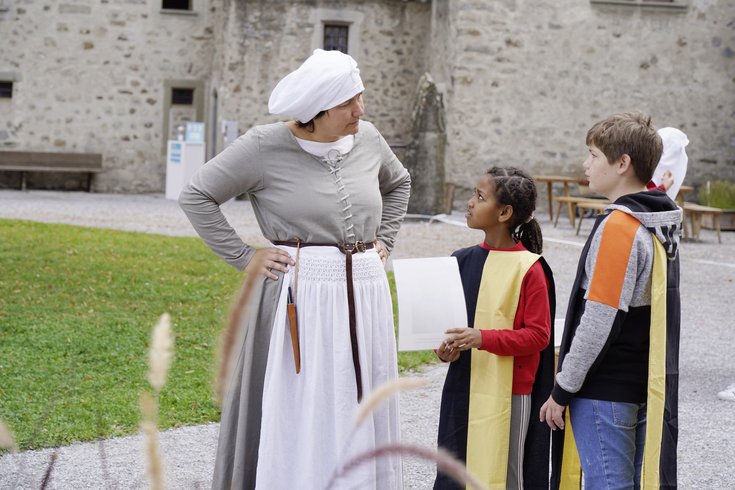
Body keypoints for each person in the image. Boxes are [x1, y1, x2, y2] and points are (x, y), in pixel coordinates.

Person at [179, 49, 411, 490]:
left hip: (365, 291)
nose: (359, 110)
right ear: (315, 112)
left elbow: (399, 183)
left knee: (361, 391)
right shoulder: (264, 146)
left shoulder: (370, 138)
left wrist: (386, 240)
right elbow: (197, 196)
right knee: (303, 399)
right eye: (348, 104)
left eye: (360, 98)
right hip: (301, 294)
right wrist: (245, 257)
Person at [540, 112, 682, 489]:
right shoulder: (659, 219)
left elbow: (599, 319)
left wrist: (562, 389)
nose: (585, 164)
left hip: (606, 393)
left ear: (622, 164)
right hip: (642, 384)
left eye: (593, 155)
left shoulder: (620, 227)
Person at [434, 167, 556, 490]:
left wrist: (481, 337)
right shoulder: (460, 261)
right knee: (455, 473)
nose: (471, 203)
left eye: (480, 197)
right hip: (463, 387)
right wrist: (445, 350)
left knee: (504, 476)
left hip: (510, 394)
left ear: (504, 213)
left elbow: (539, 335)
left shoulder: (530, 268)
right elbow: (447, 329)